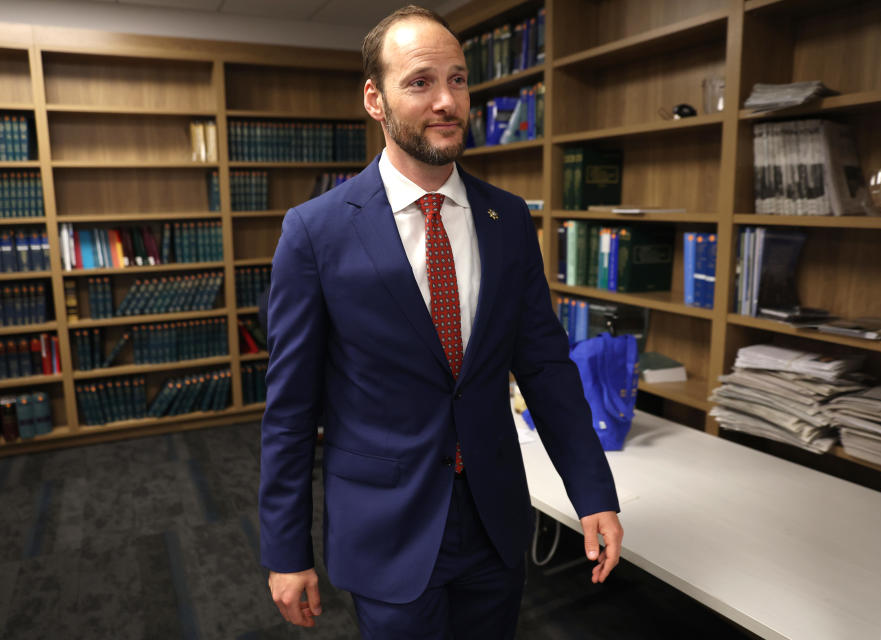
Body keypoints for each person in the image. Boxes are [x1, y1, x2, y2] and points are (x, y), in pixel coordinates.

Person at [259, 5, 623, 637]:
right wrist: (287, 552)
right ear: (375, 99)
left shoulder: (507, 219)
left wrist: (592, 490)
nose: (447, 101)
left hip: (494, 518)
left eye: (458, 79)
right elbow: (290, 409)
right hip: (387, 527)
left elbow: (543, 365)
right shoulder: (314, 231)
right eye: (420, 82)